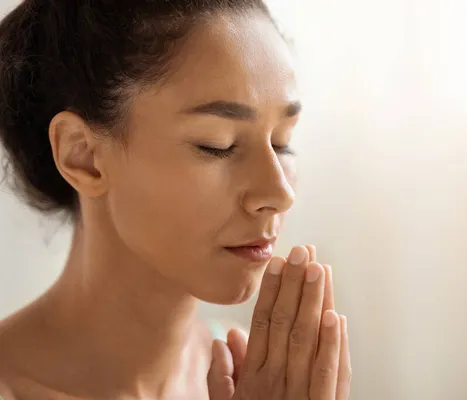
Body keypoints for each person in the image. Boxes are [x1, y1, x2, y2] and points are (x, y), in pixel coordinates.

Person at [0, 0, 352, 398]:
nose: (279, 194)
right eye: (217, 145)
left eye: (282, 143)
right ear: (83, 155)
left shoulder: (258, 381)